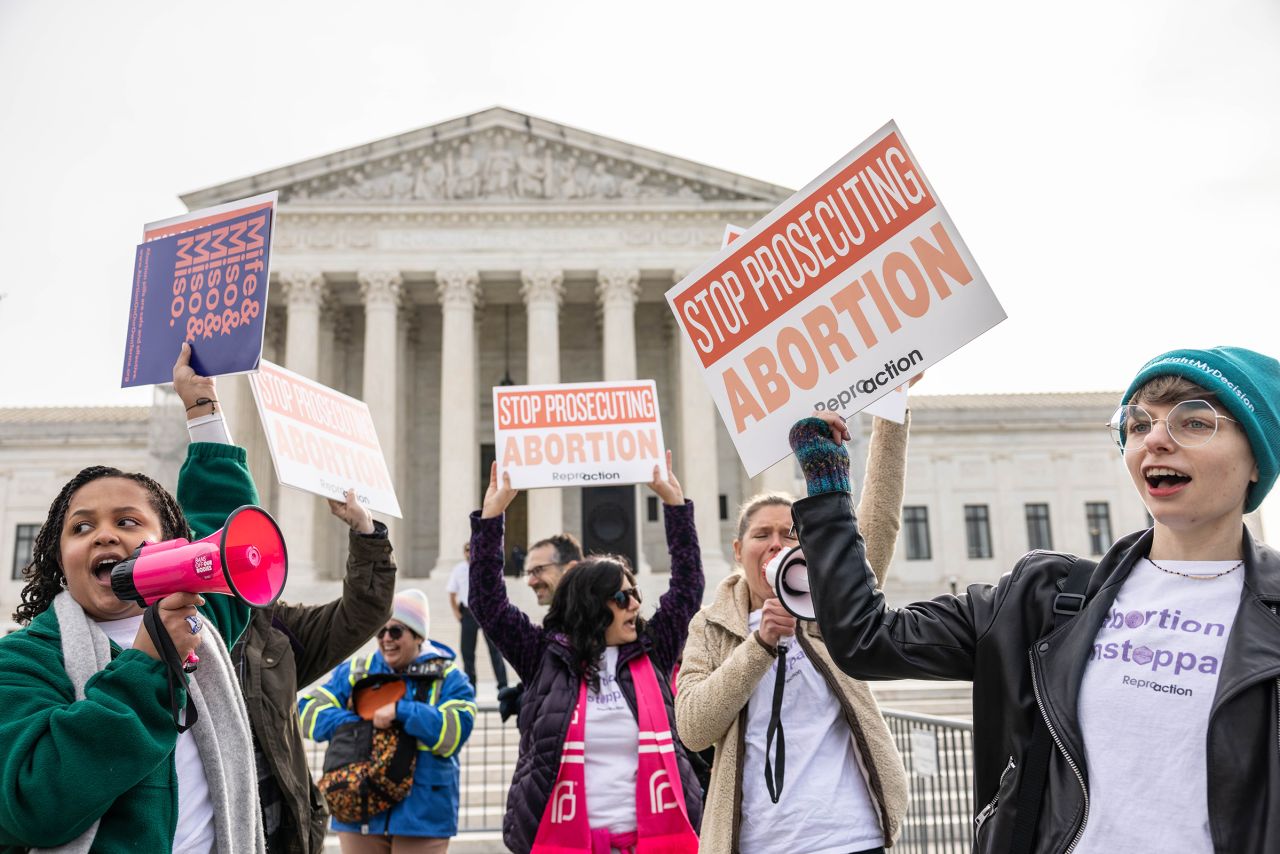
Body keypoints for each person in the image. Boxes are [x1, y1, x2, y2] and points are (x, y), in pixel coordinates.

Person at [788, 346, 1280, 854]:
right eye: (1137, 424)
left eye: (1194, 423)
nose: (1155, 439)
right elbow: (865, 639)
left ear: (1256, 461)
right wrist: (827, 487)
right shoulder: (1045, 597)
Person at [172, 343, 398, 853]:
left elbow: (363, 612)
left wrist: (366, 533)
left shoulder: (277, 635)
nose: (250, 562)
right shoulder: (143, 637)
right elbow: (216, 518)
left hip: (273, 832)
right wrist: (203, 412)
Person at [0, 434, 263, 850]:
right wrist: (148, 664)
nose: (104, 536)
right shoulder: (22, 659)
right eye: (81, 527)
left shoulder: (197, 626)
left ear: (174, 545)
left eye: (127, 522)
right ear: (61, 562)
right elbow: (31, 806)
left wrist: (203, 408)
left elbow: (225, 528)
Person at [676, 416, 913, 854]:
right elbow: (693, 728)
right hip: (760, 841)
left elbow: (878, 520)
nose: (775, 544)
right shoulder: (710, 626)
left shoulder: (833, 606)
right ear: (737, 550)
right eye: (761, 534)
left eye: (790, 534)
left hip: (850, 836)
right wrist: (759, 646)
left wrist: (891, 416)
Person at [470, 454, 704, 853]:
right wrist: (492, 518)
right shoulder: (544, 657)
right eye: (620, 596)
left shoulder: (653, 652)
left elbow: (687, 589)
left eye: (635, 594)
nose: (633, 605)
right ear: (591, 604)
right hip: (569, 842)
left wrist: (675, 507)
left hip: (652, 843)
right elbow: (488, 603)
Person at [298, 589, 477, 853]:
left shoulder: (450, 678)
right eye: (380, 631)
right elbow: (305, 712)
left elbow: (454, 731)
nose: (386, 639)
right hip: (358, 810)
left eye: (396, 631)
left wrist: (401, 711)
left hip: (421, 816)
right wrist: (361, 723)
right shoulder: (355, 672)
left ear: (418, 635)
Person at [446, 540, 509, 695]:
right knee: (467, 653)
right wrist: (456, 613)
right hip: (468, 613)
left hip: (487, 612)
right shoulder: (459, 569)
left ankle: (503, 686)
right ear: (464, 553)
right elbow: (452, 593)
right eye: (467, 550)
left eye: (472, 549)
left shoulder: (486, 567)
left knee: (495, 650)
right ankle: (471, 687)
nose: (469, 553)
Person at [522, 532, 583, 606]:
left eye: (538, 570)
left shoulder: (596, 614)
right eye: (529, 573)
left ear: (571, 569)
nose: (530, 582)